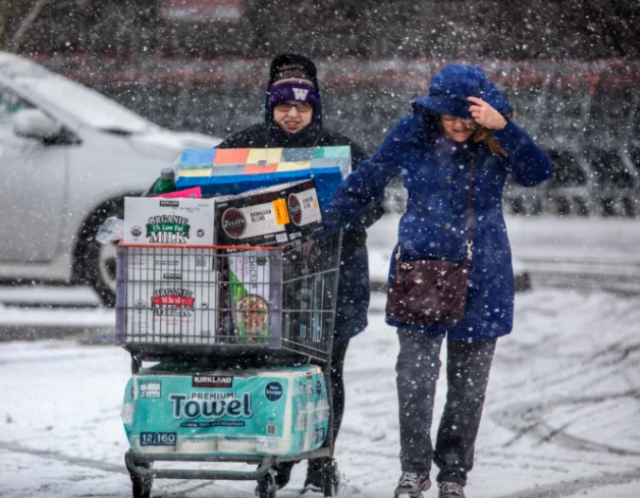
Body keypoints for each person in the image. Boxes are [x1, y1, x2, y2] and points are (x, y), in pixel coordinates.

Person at [318, 65, 553, 498]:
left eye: (469, 116)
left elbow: (538, 173)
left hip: (483, 275)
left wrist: (507, 128)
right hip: (420, 270)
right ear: (434, 112)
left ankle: (453, 475)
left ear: (484, 113)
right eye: (451, 116)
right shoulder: (411, 132)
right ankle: (413, 470)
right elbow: (366, 181)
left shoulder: (497, 140)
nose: (460, 124)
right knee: (415, 380)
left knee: (467, 389)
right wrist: (321, 227)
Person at [216, 53, 384, 492]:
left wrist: (330, 227)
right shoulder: (241, 147)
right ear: (269, 104)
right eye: (283, 105)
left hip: (332, 279)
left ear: (317, 106)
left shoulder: (342, 151)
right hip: (263, 284)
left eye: (302, 106)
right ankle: (279, 454)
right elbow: (203, 190)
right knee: (269, 371)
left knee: (326, 371)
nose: (293, 115)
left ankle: (321, 460)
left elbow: (375, 203)